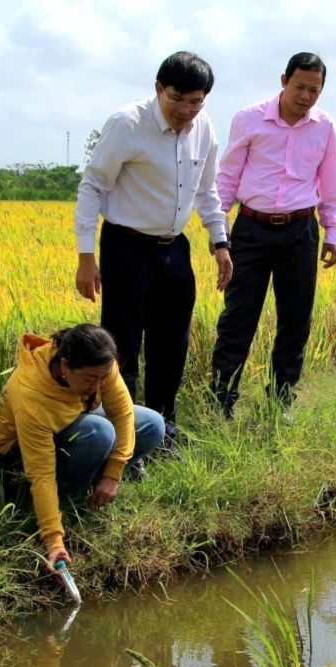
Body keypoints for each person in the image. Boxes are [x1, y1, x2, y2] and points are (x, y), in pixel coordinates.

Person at [74, 51, 233, 443]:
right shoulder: (127, 124)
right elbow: (92, 185)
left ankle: (163, 428)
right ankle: (125, 437)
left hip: (174, 248)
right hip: (126, 247)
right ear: (159, 89)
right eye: (177, 99)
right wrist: (85, 257)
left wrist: (219, 240)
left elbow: (206, 189)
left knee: (172, 342)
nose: (185, 110)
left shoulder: (204, 129)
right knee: (124, 344)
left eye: (196, 102)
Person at [211, 52, 336, 416]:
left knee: (296, 319)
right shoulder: (249, 119)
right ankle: (222, 401)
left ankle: (280, 401)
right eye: (300, 87)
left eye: (314, 90)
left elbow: (330, 185)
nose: (305, 97)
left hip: (300, 232)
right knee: (239, 317)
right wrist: (218, 229)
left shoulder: (325, 127)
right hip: (251, 229)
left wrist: (333, 231)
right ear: (283, 80)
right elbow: (227, 177)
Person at [0, 323, 165, 569]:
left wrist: (113, 474)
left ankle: (96, 480)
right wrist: (54, 541)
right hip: (20, 452)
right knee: (100, 433)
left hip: (73, 424)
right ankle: (70, 501)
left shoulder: (99, 362)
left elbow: (123, 413)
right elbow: (41, 473)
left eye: (104, 377)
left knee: (153, 424)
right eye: (90, 379)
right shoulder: (30, 394)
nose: (97, 386)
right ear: (65, 367)